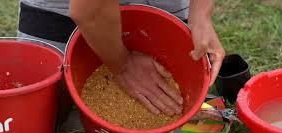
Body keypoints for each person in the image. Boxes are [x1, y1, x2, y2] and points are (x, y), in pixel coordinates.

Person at [18, 0, 225, 120]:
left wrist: (200, 14)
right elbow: (89, 11)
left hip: (159, 3)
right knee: (40, 114)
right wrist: (123, 65)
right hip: (64, 7)